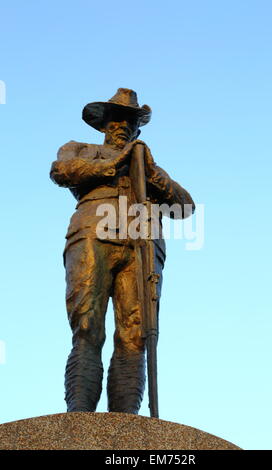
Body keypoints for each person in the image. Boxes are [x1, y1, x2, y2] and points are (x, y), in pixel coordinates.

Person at [50, 88, 195, 413]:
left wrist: (149, 170)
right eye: (116, 119)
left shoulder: (147, 167)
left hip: (142, 242)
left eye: (129, 120)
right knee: (87, 326)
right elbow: (62, 172)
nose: (122, 125)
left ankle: (127, 421)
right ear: (103, 124)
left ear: (137, 128)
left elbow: (184, 207)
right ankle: (80, 417)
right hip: (93, 234)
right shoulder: (80, 149)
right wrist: (118, 163)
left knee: (136, 336)